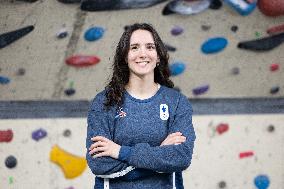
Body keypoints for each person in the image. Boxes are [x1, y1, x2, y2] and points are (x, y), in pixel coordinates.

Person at [86, 23, 196, 189]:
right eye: (134, 47)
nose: (142, 54)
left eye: (150, 47)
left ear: (158, 56)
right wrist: (160, 153)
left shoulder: (177, 102)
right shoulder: (104, 102)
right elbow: (100, 164)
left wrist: (121, 152)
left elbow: (181, 157)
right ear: (124, 56)